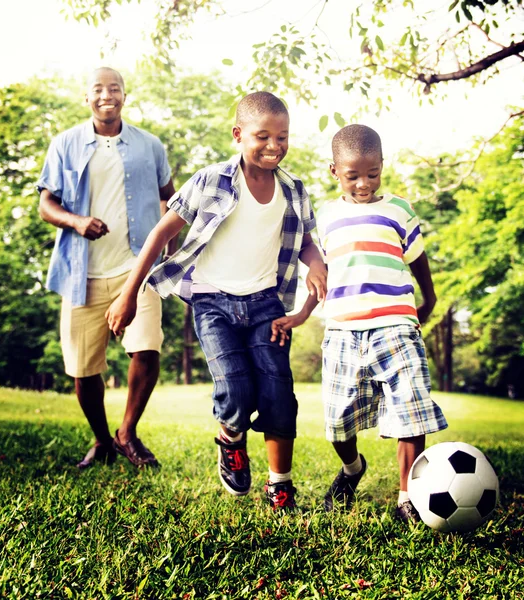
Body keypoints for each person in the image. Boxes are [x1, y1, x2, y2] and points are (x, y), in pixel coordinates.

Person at [106, 91, 327, 509]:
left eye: (283, 138)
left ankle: (280, 485)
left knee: (279, 393)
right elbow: (160, 234)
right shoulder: (211, 180)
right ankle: (231, 438)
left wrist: (315, 264)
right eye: (263, 136)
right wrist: (129, 293)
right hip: (213, 304)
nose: (274, 146)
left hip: (266, 305)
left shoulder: (294, 190)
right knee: (237, 391)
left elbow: (306, 244)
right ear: (238, 135)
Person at [271, 124, 448, 521]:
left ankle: (407, 498)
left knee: (410, 409)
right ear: (334, 171)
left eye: (373, 173)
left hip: (397, 325)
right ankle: (352, 468)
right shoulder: (327, 217)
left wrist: (430, 297)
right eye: (353, 175)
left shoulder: (399, 209)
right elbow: (319, 277)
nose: (364, 183)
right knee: (338, 421)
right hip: (342, 331)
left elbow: (417, 257)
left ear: (382, 166)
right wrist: (300, 314)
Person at [37, 67, 175, 469]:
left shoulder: (149, 146)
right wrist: (77, 222)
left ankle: (127, 433)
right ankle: (102, 441)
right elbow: (46, 205)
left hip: (138, 267)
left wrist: (166, 251)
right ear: (87, 98)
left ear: (125, 96)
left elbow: (171, 201)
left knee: (147, 347)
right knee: (83, 370)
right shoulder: (64, 144)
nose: (106, 95)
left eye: (113, 88)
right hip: (83, 273)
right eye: (97, 89)